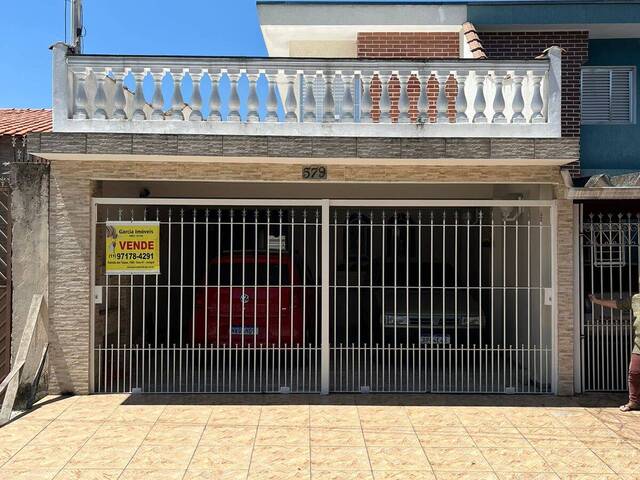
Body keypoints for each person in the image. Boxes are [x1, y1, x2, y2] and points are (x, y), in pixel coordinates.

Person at [589, 293, 640, 412]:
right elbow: (617, 304)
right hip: (638, 344)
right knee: (634, 373)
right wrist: (597, 301)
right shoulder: (636, 299)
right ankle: (634, 402)